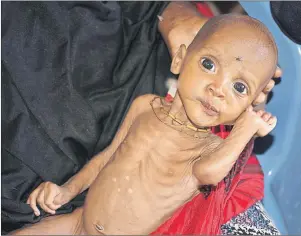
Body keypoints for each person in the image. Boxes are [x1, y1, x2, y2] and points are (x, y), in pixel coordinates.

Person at [11, 14, 279, 235]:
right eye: (209, 64)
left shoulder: (210, 148)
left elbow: (209, 174)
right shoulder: (145, 106)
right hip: (77, 223)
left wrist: (245, 130)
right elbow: (106, 158)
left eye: (239, 87)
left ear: (247, 107)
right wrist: (66, 190)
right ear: (180, 59)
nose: (218, 89)